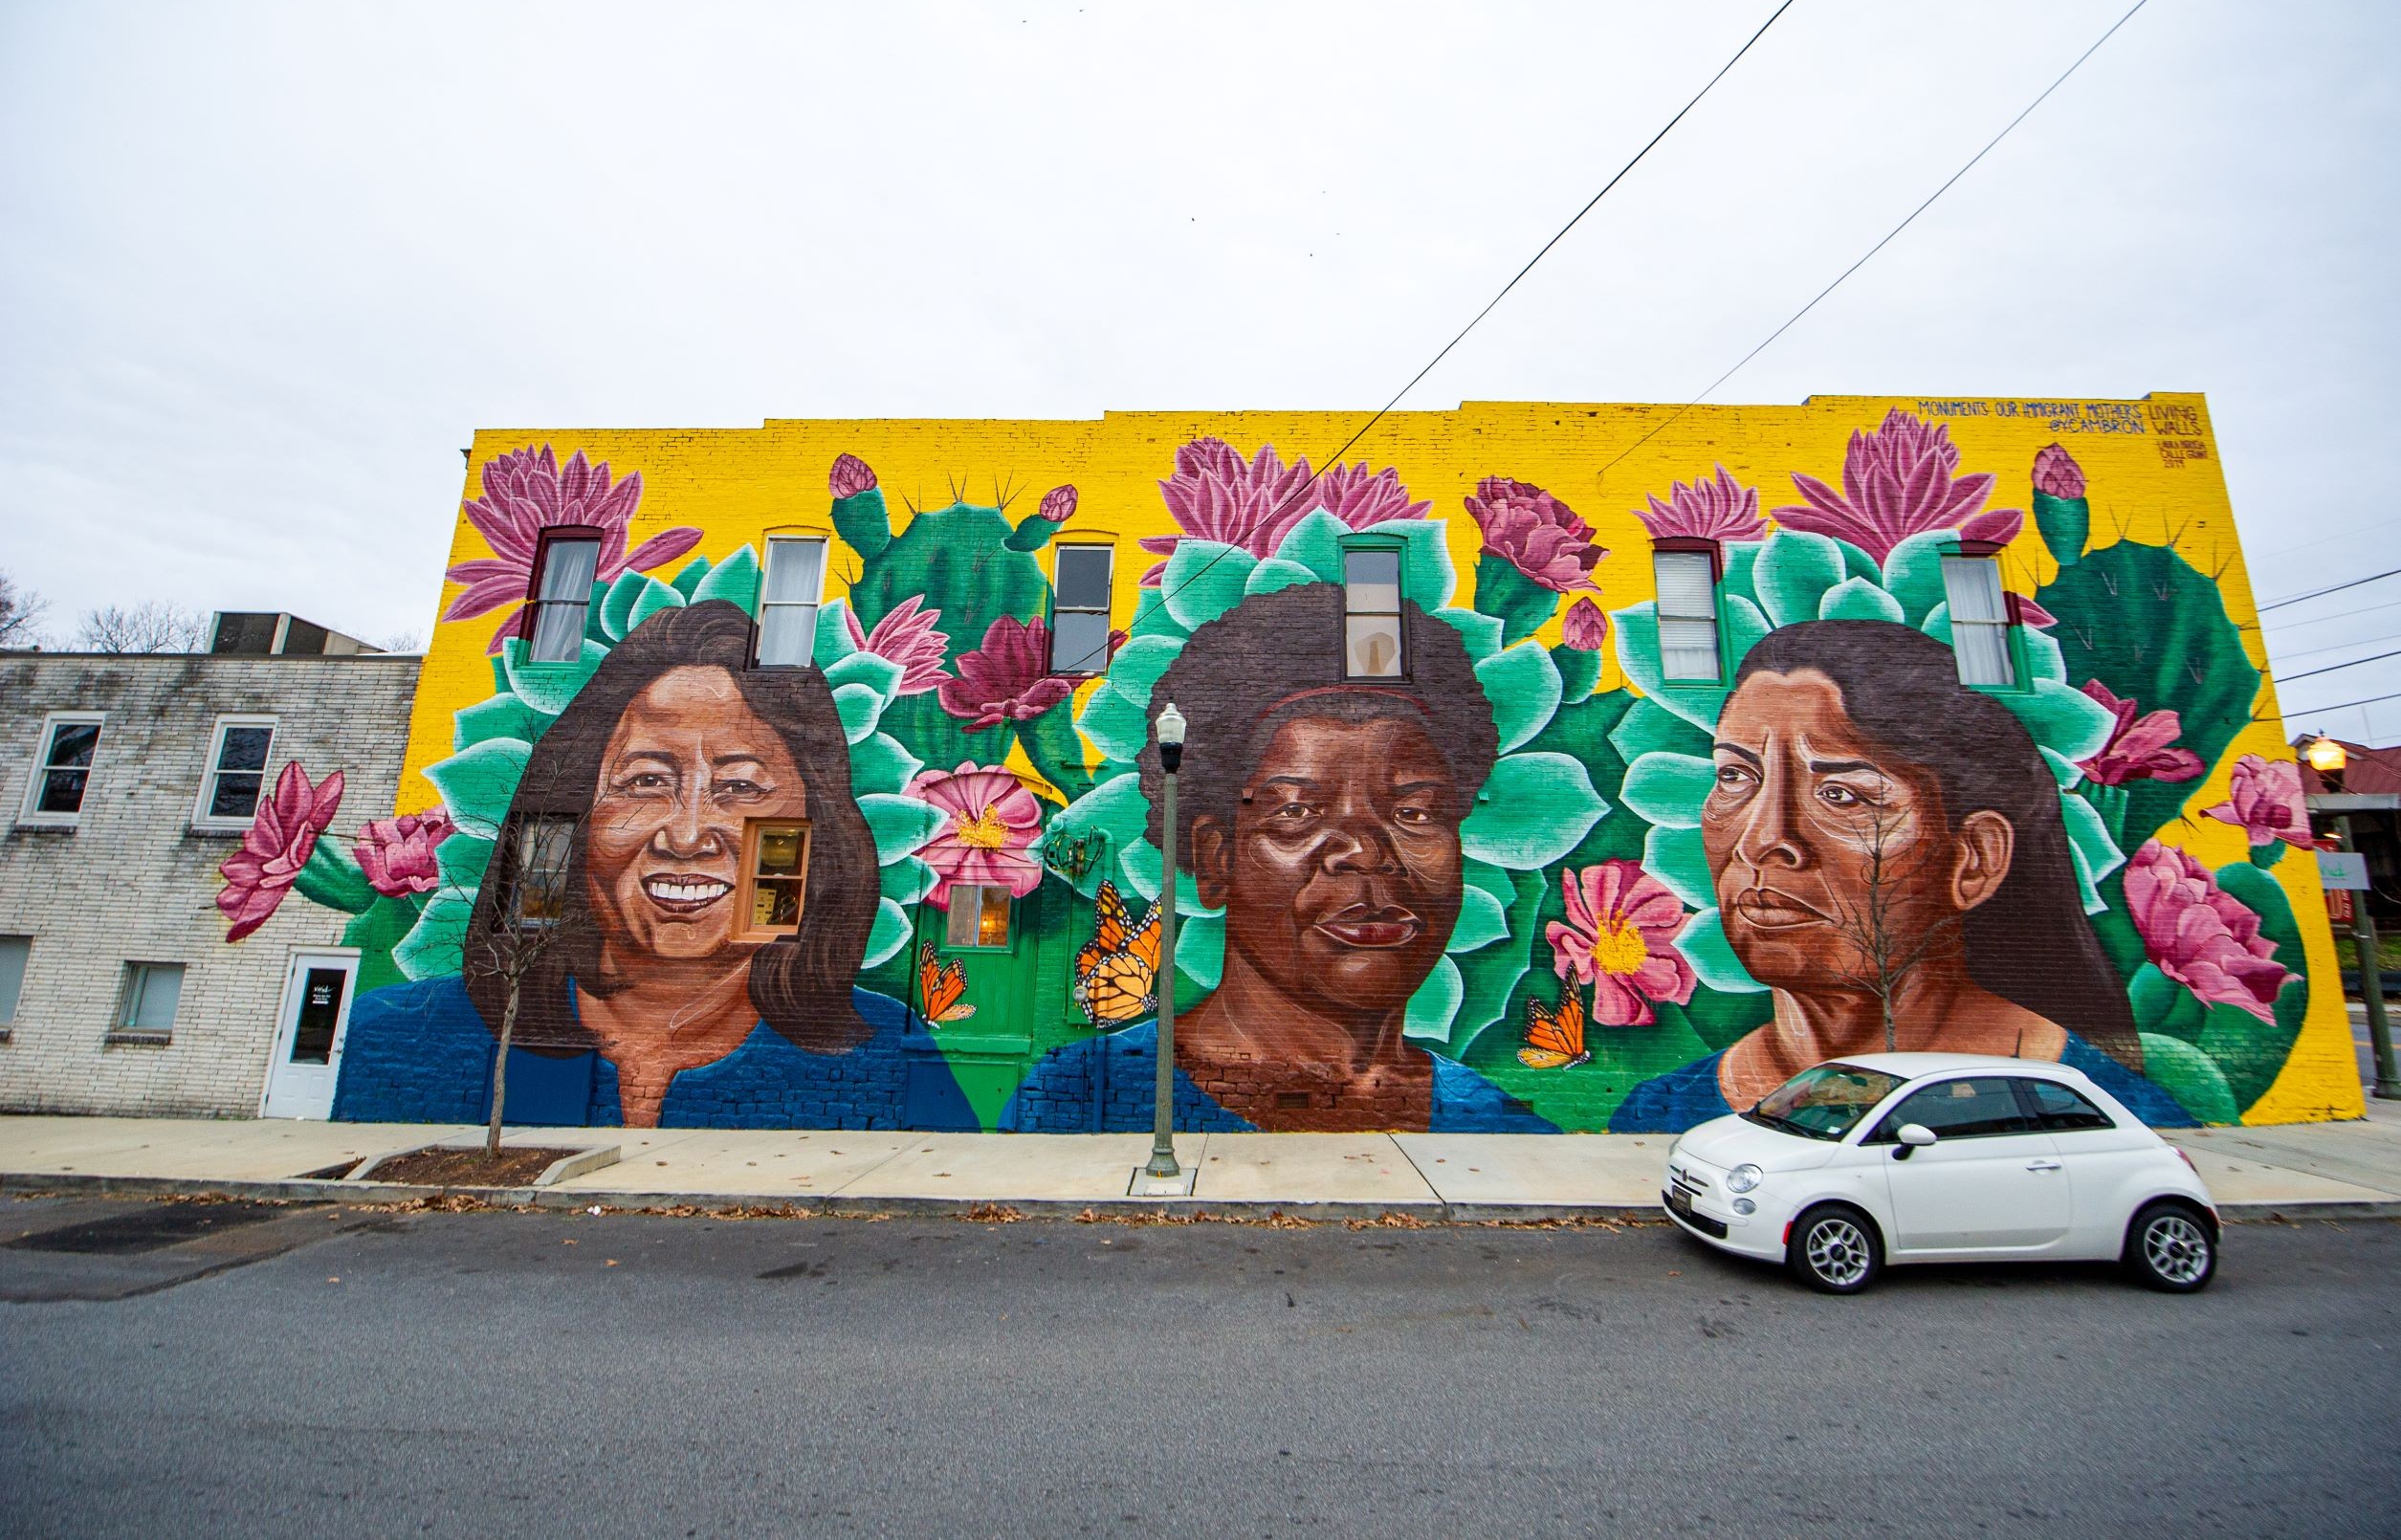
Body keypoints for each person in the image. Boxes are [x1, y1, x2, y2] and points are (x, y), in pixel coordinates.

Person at [334, 600, 973, 1130]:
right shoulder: (394, 1034)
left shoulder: (884, 1052)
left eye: (741, 787)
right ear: (573, 819)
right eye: (644, 781)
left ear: (819, 838)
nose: (687, 835)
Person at [1006, 583, 1553, 1133]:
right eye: (1296, 812)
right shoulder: (1072, 1097)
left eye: (1414, 813)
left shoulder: (1505, 1131)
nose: (1366, 852)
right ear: (1215, 861)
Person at [1611, 618, 2192, 1132]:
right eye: (1736, 777)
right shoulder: (1659, 1112)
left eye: (1842, 794)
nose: (1763, 841)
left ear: (1975, 859)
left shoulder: (2106, 1120)